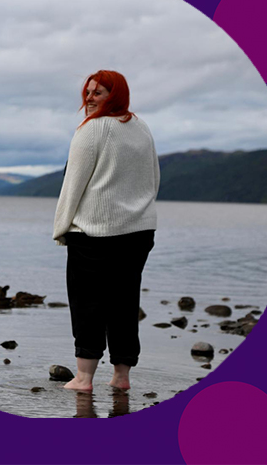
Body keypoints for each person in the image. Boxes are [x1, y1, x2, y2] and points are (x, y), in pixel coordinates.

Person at [53, 70, 160, 392]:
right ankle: (121, 377)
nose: (89, 98)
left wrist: (61, 228)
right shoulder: (141, 128)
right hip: (139, 231)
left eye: (97, 93)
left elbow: (73, 184)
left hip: (94, 232)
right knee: (124, 303)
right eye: (87, 92)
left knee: (88, 304)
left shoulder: (92, 129)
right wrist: (139, 211)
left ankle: (84, 379)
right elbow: (153, 179)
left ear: (114, 95)